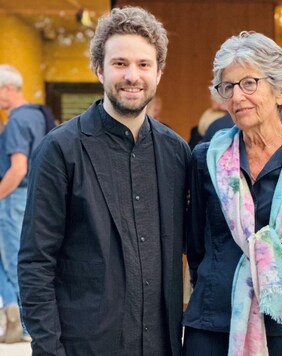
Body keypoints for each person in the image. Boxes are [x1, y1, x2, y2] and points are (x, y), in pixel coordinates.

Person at [18, 7, 190, 355]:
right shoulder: (60, 149)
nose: (132, 76)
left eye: (144, 65)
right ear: (99, 69)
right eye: (119, 63)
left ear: (159, 72)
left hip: (162, 345)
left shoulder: (178, 153)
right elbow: (36, 262)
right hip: (85, 347)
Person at [182, 31, 282, 356]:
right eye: (228, 87)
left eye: (249, 83)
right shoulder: (205, 160)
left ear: (280, 90)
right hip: (212, 324)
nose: (237, 97)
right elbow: (196, 246)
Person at [0, 64, 48, 343]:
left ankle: (21, 326)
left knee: (12, 262)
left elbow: (18, 168)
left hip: (15, 196)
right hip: (34, 195)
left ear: (7, 89)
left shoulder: (17, 120)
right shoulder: (38, 114)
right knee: (29, 258)